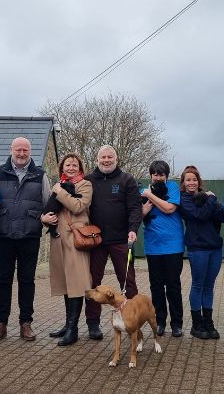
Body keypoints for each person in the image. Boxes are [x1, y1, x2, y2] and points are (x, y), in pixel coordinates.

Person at [0, 137, 51, 342]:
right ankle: (1, 323)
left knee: (27, 281)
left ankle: (26, 323)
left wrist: (44, 219)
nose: (22, 153)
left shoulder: (40, 175)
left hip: (29, 235)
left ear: (30, 151)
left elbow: (48, 204)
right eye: (18, 150)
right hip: (4, 235)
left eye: (25, 150)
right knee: (3, 281)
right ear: (11, 150)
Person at [84, 145, 142, 340]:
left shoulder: (127, 180)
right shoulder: (89, 180)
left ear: (116, 159)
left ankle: (133, 319)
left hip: (121, 240)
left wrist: (133, 229)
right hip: (96, 241)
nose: (106, 160)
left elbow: (135, 208)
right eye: (103, 157)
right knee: (93, 283)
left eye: (110, 157)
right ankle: (93, 324)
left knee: (128, 282)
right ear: (97, 160)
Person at [41, 153, 93, 346]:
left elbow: (78, 206)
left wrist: (59, 191)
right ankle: (67, 324)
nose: (70, 168)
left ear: (80, 168)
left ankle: (73, 329)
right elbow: (48, 209)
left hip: (76, 240)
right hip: (58, 239)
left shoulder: (85, 185)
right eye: (67, 165)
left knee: (76, 283)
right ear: (62, 168)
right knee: (65, 283)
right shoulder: (59, 184)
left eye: (74, 165)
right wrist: (43, 219)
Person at [177, 165, 224, 340]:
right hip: (197, 248)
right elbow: (199, 215)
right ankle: (196, 324)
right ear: (184, 182)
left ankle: (208, 322)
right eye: (188, 179)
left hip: (215, 247)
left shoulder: (207, 197)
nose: (192, 182)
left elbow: (223, 217)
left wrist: (214, 201)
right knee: (198, 284)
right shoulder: (184, 199)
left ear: (199, 181)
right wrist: (212, 200)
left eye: (194, 179)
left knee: (209, 286)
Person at [141, 160, 185, 337]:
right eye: (155, 174)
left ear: (166, 176)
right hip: (153, 247)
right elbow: (140, 213)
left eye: (161, 174)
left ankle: (177, 324)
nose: (158, 177)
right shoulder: (142, 190)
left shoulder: (173, 188)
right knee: (156, 287)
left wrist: (150, 197)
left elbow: (169, 209)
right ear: (151, 175)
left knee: (173, 286)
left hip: (173, 246)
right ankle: (159, 321)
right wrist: (145, 206)